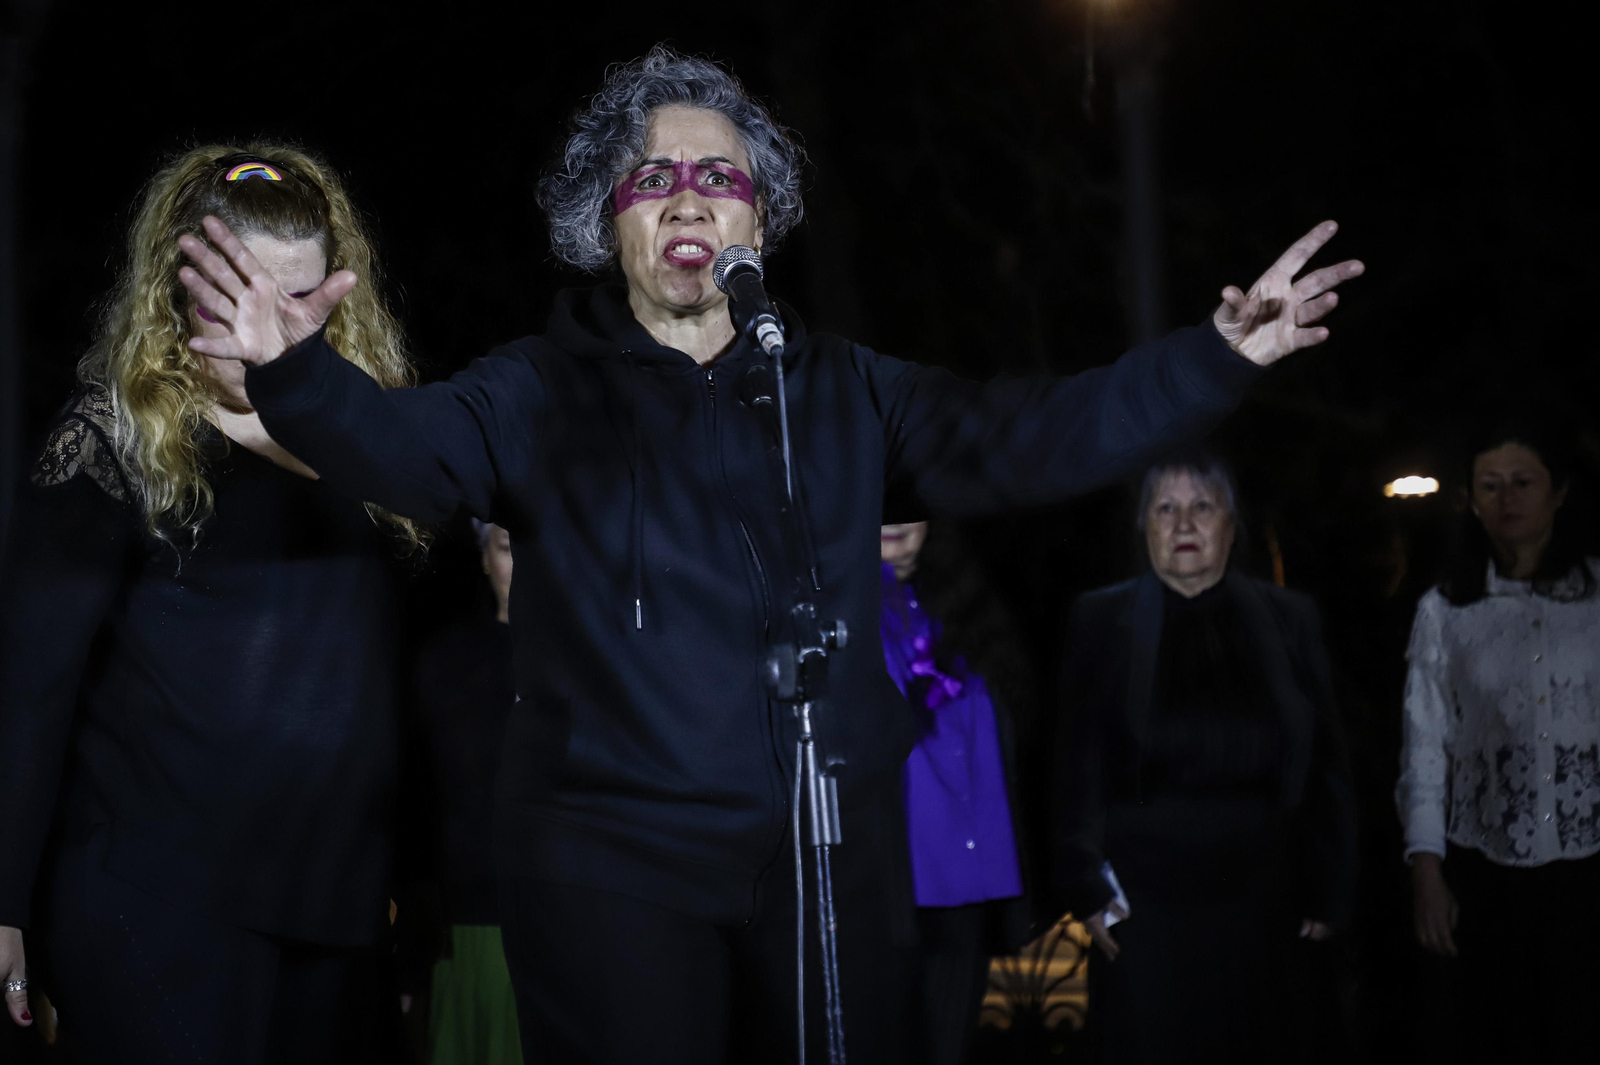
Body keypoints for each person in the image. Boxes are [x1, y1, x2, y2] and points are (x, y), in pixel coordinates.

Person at [175, 45, 1362, 1064]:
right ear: (609, 221)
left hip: (822, 851)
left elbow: (1031, 435)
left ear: (756, 218)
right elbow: (404, 449)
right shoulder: (537, 390)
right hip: (611, 868)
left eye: (717, 177)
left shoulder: (836, 387)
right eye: (654, 179)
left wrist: (1212, 359)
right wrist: (294, 374)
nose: (688, 198)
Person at [0, 143, 421, 1062]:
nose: (263, 326)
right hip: (157, 907)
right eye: (238, 290)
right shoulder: (117, 434)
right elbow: (28, 686)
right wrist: (3, 907)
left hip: (337, 914)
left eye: (297, 297)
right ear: (179, 281)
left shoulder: (377, 436)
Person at [1051, 454, 1356, 1064]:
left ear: (1230, 526)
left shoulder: (1289, 618)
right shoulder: (1102, 618)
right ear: (1144, 527)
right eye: (1165, 508)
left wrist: (1332, 884)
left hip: (1265, 899)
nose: (1183, 523)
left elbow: (1328, 760)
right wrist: (1083, 884)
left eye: (1202, 507)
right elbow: (1072, 763)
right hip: (1146, 905)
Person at [1397, 424, 1599, 1065]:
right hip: (1488, 869)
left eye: (1522, 482)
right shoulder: (1447, 610)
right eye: (1490, 486)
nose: (1507, 498)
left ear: (1557, 492)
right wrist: (1426, 865)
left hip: (1589, 866)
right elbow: (1426, 742)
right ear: (1472, 500)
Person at [879, 521, 1037, 1065]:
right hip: (880, 894)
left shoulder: (969, 606)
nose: (893, 518)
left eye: (906, 504)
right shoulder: (833, 605)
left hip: (965, 891)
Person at [410, 520, 522, 1064]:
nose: (518, 567)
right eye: (505, 549)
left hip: (562, 927)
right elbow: (416, 801)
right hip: (461, 929)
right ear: (484, 558)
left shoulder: (587, 663)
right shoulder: (443, 661)